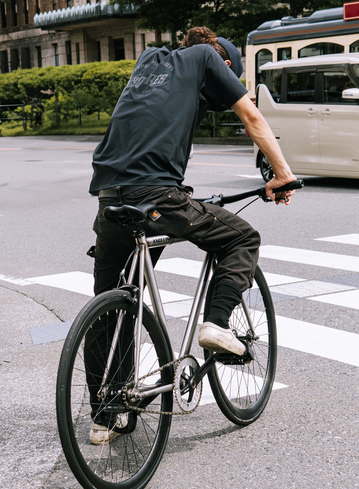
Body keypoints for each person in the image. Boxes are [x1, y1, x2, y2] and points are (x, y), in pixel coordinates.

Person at [87, 27, 296, 444]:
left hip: (110, 199)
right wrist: (283, 174)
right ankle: (217, 325)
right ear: (223, 66)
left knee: (113, 304)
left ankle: (107, 416)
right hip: (158, 197)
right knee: (241, 238)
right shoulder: (205, 59)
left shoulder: (149, 61)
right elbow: (252, 117)